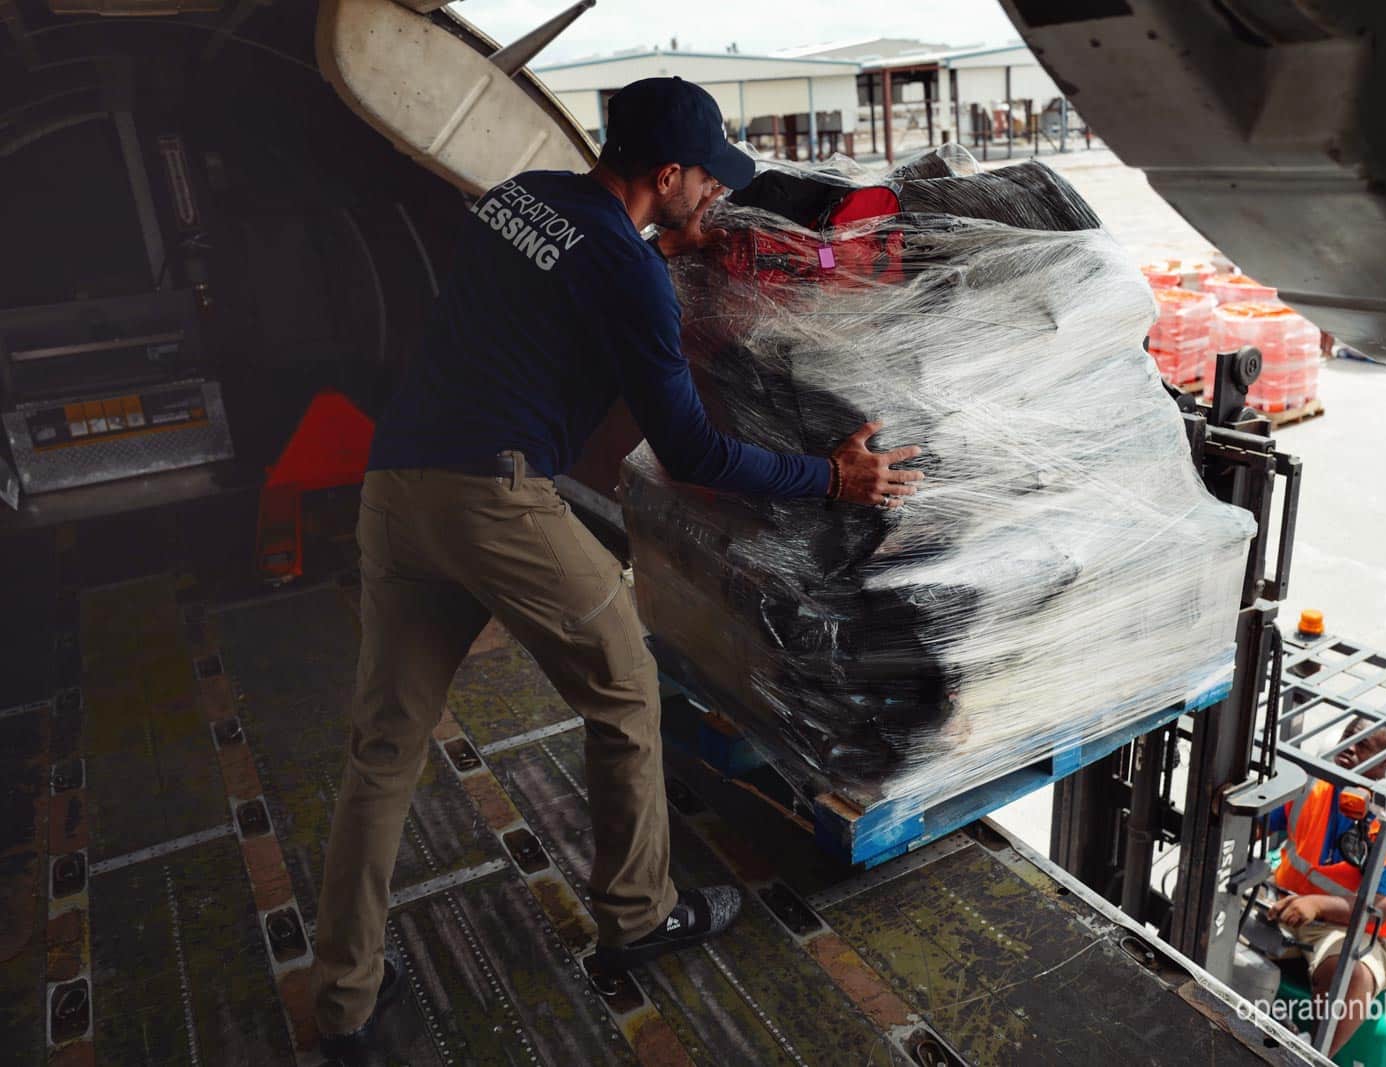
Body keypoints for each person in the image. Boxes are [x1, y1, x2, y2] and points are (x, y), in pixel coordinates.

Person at [308, 76, 924, 1063]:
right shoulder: (627, 272)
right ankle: (637, 911)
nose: (716, 198)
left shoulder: (524, 196)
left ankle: (341, 1000)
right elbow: (691, 453)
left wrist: (653, 253)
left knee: (384, 746)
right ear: (667, 172)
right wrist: (831, 478)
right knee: (625, 688)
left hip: (398, 485)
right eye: (706, 181)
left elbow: (558, 285)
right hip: (490, 494)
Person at [1265, 720, 1386, 1054]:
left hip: (1373, 930)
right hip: (1290, 903)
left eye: (1364, 745)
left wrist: (1316, 905)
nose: (1350, 748)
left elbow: (1377, 912)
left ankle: (1311, 1056)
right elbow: (1255, 820)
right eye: (1348, 737)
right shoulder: (1311, 789)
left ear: (1385, 764)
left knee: (1349, 971)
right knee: (1208, 906)